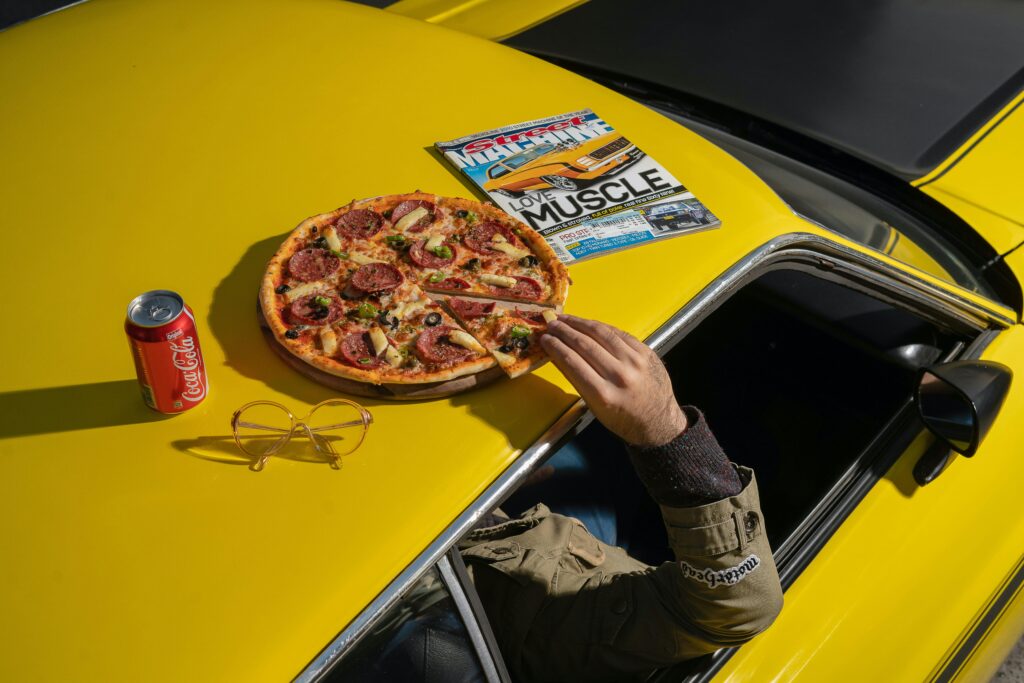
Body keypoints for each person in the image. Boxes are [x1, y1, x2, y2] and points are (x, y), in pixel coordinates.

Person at [458, 315, 784, 683]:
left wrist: (482, 505)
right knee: (598, 454)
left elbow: (741, 609)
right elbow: (741, 608)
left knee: (589, 446)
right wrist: (661, 427)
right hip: (548, 563)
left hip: (506, 542)